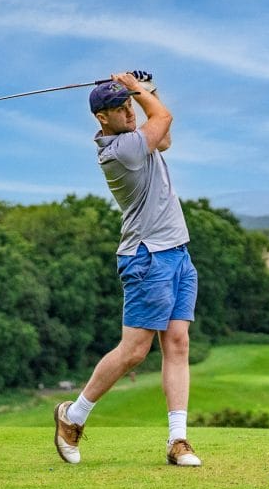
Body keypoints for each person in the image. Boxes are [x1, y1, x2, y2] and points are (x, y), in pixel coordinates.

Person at [53, 71, 202, 467]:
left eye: (130, 106)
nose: (129, 112)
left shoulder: (139, 139)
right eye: (120, 108)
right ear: (102, 118)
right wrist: (138, 89)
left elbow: (163, 134)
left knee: (178, 344)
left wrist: (145, 88)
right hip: (146, 257)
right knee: (134, 351)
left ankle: (178, 440)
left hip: (176, 253)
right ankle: (73, 417)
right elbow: (164, 120)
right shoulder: (121, 151)